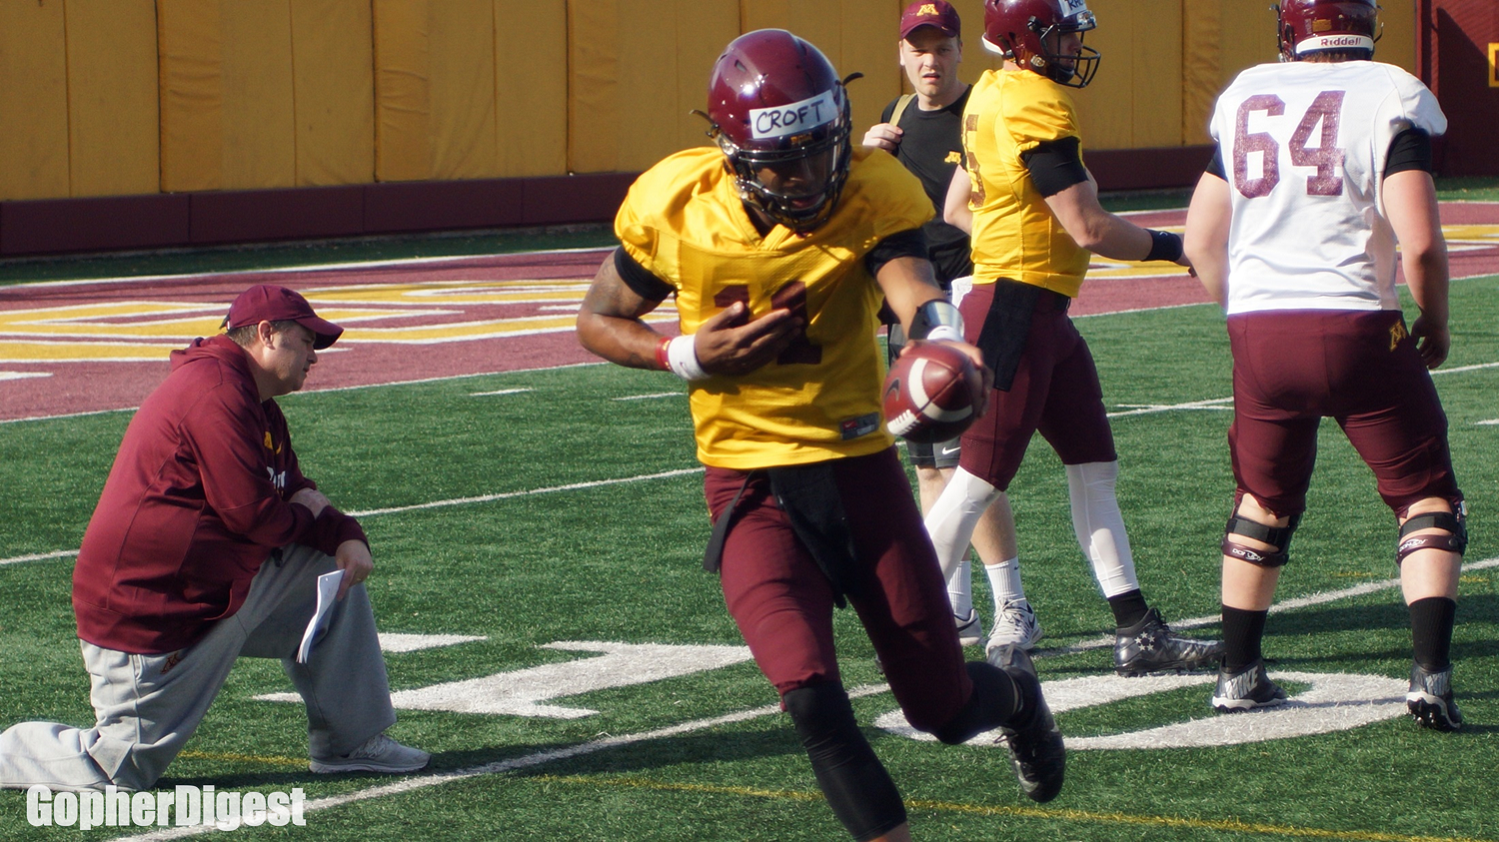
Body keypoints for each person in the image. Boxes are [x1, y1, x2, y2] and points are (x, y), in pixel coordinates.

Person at [576, 29, 1065, 841]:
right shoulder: (677, 202)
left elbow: (912, 289)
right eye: (783, 162)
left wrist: (943, 340)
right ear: (733, 154)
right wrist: (684, 354)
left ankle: (1015, 696)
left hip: (857, 476)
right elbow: (597, 317)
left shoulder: (870, 187)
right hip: (750, 488)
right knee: (809, 698)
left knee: (943, 711)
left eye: (819, 150)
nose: (807, 175)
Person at [0, 285, 429, 792]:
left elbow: (294, 490)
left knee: (331, 572)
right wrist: (304, 515)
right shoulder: (216, 389)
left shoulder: (258, 404)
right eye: (307, 340)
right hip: (152, 610)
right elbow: (251, 514)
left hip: (217, 590)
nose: (315, 355)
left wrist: (344, 533)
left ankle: (348, 742)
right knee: (117, 770)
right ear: (267, 334)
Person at [1182, 0, 1466, 729]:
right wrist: (1433, 320)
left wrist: (1247, 313)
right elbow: (1420, 242)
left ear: (1291, 27)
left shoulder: (1247, 89)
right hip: (1356, 323)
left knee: (1262, 499)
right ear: (1365, 24)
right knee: (1425, 496)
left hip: (1259, 330)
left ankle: (1237, 674)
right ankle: (1429, 679)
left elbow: (1199, 241)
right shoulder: (1390, 92)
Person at [923, 0, 1224, 674]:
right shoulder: (1034, 102)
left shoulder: (990, 93)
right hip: (1016, 311)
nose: (1070, 47)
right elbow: (1088, 228)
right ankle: (909, 629)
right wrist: (1179, 247)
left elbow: (957, 207)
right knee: (975, 482)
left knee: (1093, 466)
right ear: (1022, 38)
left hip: (1038, 312)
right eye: (1059, 35)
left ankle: (1136, 629)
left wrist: (1009, 241)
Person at [862, 0, 1022, 650]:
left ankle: (1012, 602)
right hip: (911, 304)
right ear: (901, 55)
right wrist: (864, 157)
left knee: (969, 464)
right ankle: (957, 608)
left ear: (960, 51)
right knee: (928, 461)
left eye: (941, 47)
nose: (930, 60)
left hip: (967, 295)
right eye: (918, 48)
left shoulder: (984, 109)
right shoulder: (895, 115)